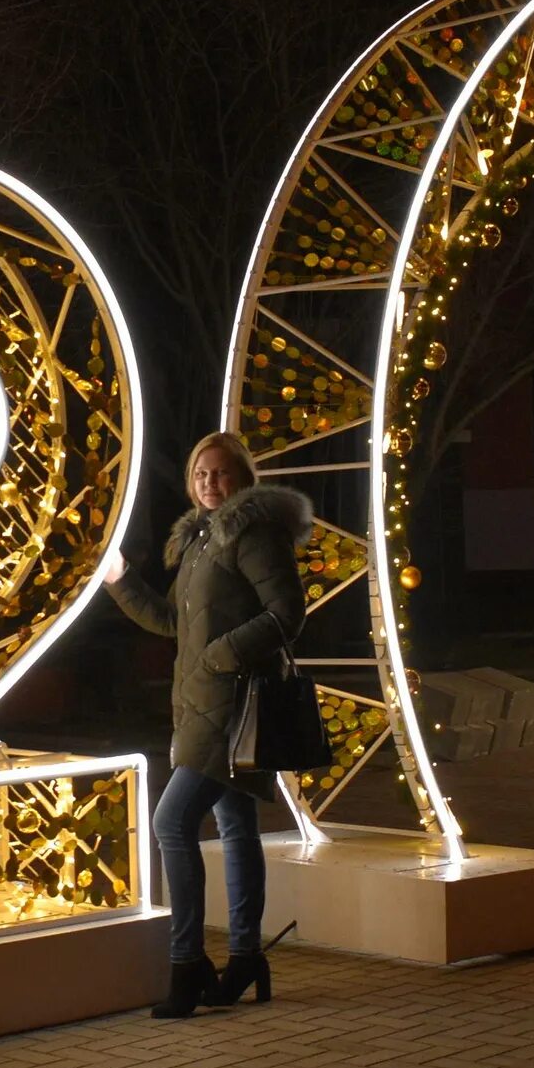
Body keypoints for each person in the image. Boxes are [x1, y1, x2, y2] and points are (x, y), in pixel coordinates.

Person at [101, 431, 310, 1019]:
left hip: (236, 705)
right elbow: (172, 621)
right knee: (236, 826)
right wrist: (121, 580)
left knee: (171, 823)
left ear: (242, 477)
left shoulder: (253, 534)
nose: (209, 484)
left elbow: (287, 613)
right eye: (200, 475)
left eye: (220, 474)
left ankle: (187, 963)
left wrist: (222, 655)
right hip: (200, 706)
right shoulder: (199, 541)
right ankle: (245, 958)